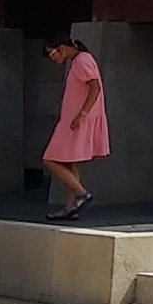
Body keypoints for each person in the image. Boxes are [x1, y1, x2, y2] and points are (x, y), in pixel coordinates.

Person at [41, 38, 107, 219]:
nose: (52, 58)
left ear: (61, 48)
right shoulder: (81, 60)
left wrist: (83, 114)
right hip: (73, 118)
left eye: (52, 53)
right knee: (69, 162)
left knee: (50, 159)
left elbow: (95, 87)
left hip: (75, 121)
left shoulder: (82, 62)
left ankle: (82, 193)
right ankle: (70, 208)